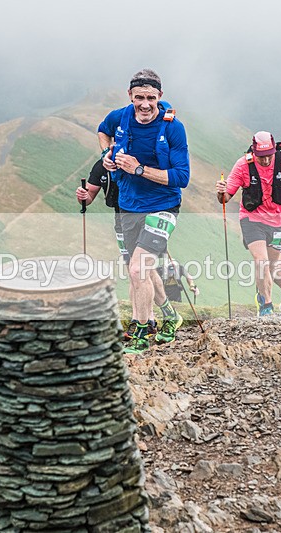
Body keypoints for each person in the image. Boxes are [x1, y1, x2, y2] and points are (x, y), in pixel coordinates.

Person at [98, 69, 190, 353]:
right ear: (130, 96)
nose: (145, 104)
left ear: (160, 97)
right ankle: (170, 317)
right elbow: (102, 130)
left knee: (139, 268)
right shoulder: (120, 117)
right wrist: (106, 156)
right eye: (140, 97)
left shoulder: (173, 127)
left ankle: (140, 333)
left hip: (163, 206)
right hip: (128, 205)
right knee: (140, 272)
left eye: (151, 97)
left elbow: (181, 177)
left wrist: (138, 169)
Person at [215, 131, 281, 316]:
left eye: (269, 156)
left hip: (278, 221)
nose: (265, 161)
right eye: (261, 157)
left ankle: (279, 292)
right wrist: (220, 191)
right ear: (254, 152)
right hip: (252, 219)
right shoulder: (243, 165)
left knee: (274, 268)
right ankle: (267, 305)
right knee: (261, 261)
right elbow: (225, 198)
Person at [75, 159, 157, 339]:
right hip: (120, 220)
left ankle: (146, 320)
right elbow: (89, 197)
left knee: (140, 269)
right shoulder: (101, 166)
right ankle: (143, 320)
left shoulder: (136, 159)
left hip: (144, 217)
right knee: (133, 270)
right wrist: (83, 196)